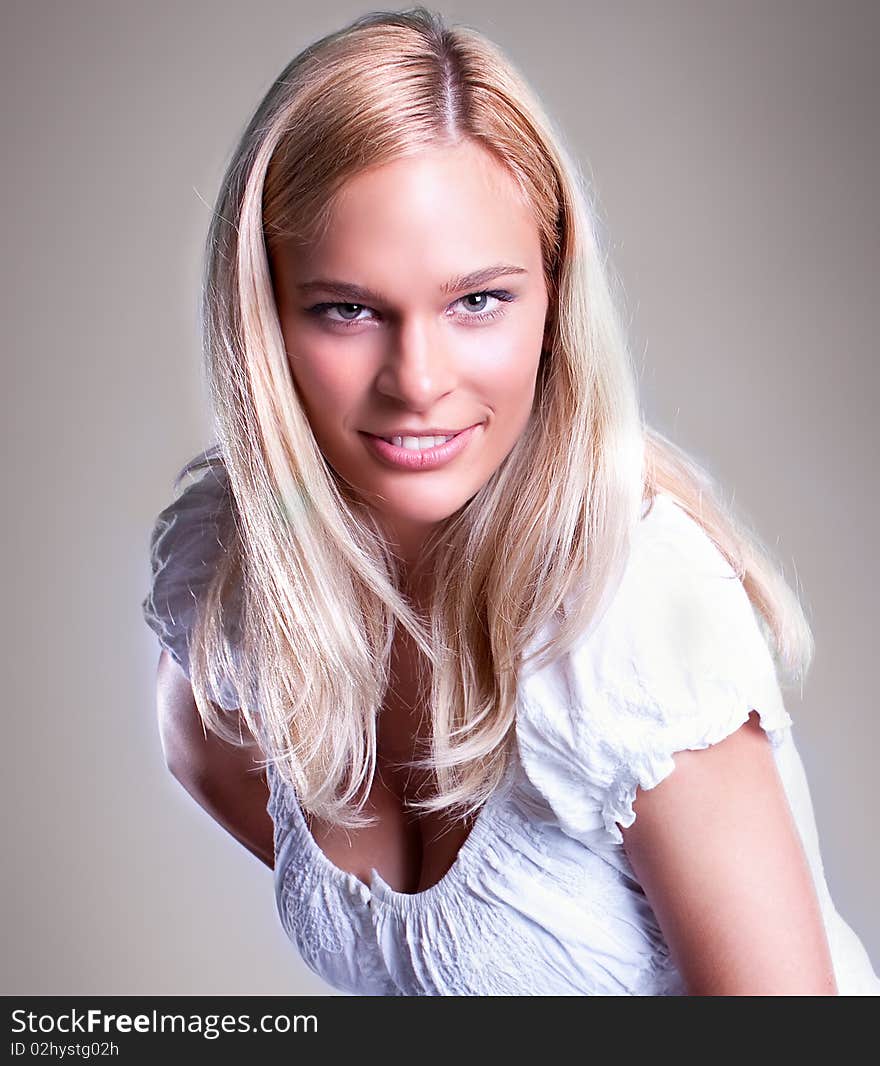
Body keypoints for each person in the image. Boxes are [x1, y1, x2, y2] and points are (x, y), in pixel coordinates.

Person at [141, 7, 880, 996]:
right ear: (263, 313)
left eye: (476, 301)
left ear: (553, 300)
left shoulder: (628, 621)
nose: (418, 379)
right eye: (347, 309)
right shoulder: (234, 576)